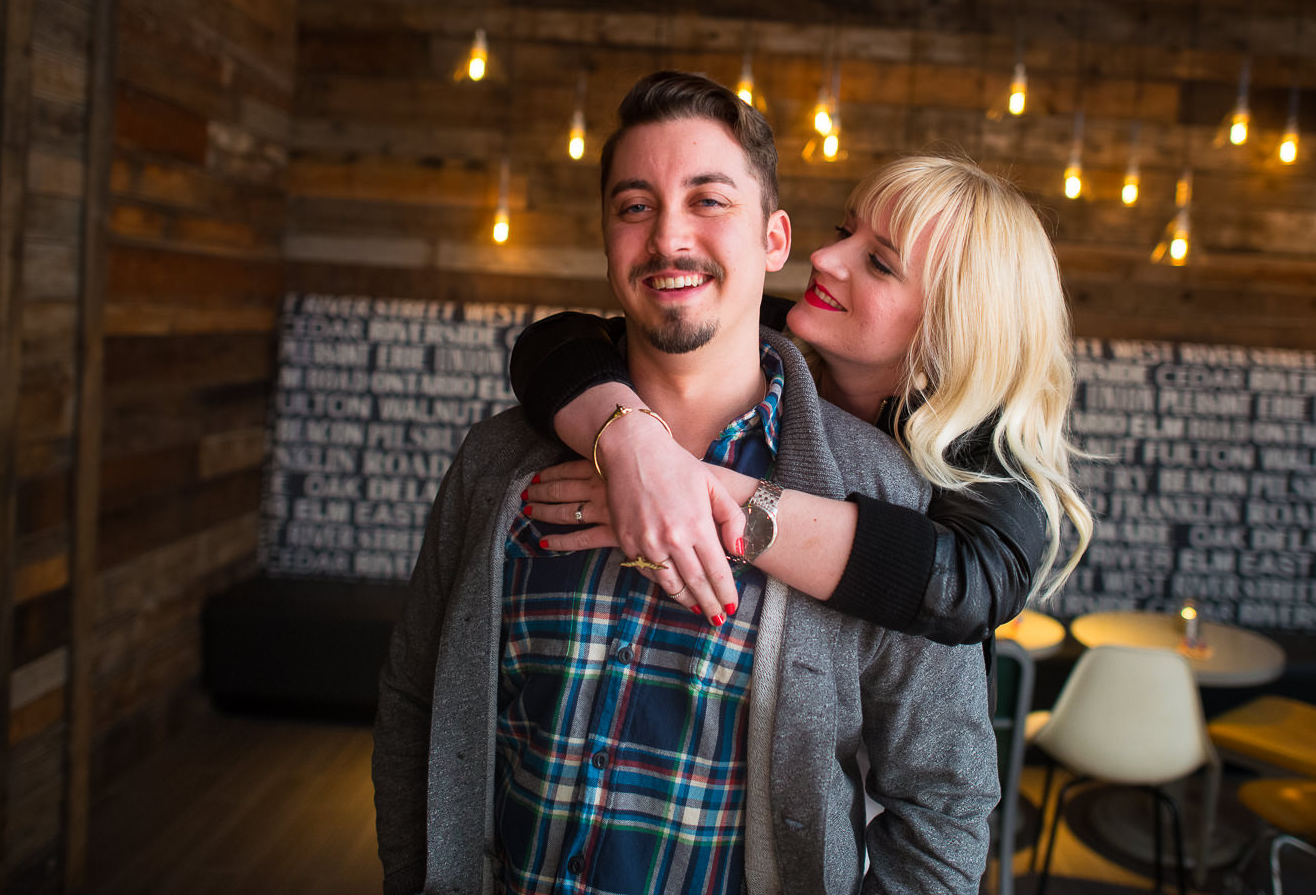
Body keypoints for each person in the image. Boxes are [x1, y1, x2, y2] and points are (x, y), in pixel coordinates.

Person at [373, 71, 996, 895]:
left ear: (775, 241)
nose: (668, 239)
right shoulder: (498, 465)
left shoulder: (884, 501)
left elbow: (947, 803)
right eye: (635, 206)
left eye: (708, 201)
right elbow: (415, 706)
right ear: (607, 238)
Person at [510, 151, 1093, 640]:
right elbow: (559, 342)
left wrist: (683, 491)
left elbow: (966, 586)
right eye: (845, 232)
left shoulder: (982, 457)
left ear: (952, 326)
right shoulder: (772, 337)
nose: (823, 258)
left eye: (879, 264)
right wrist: (632, 443)